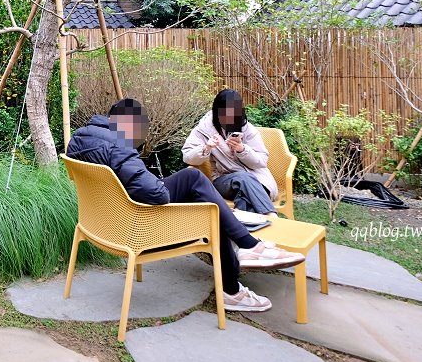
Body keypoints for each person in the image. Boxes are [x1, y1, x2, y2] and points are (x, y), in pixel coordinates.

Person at [66, 98, 305, 313]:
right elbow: (158, 194)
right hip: (136, 228)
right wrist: (155, 180)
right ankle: (236, 280)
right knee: (203, 196)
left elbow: (122, 180)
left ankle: (247, 249)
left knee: (203, 194)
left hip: (101, 222)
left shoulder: (79, 138)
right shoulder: (119, 145)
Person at [183, 89, 278, 217]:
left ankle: (240, 225)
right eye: (224, 115)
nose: (229, 119)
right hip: (223, 180)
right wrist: (206, 148)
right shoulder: (204, 129)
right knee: (244, 178)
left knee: (244, 198)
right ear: (217, 112)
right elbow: (187, 156)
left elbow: (261, 161)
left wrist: (242, 150)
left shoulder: (247, 129)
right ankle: (271, 215)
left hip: (256, 178)